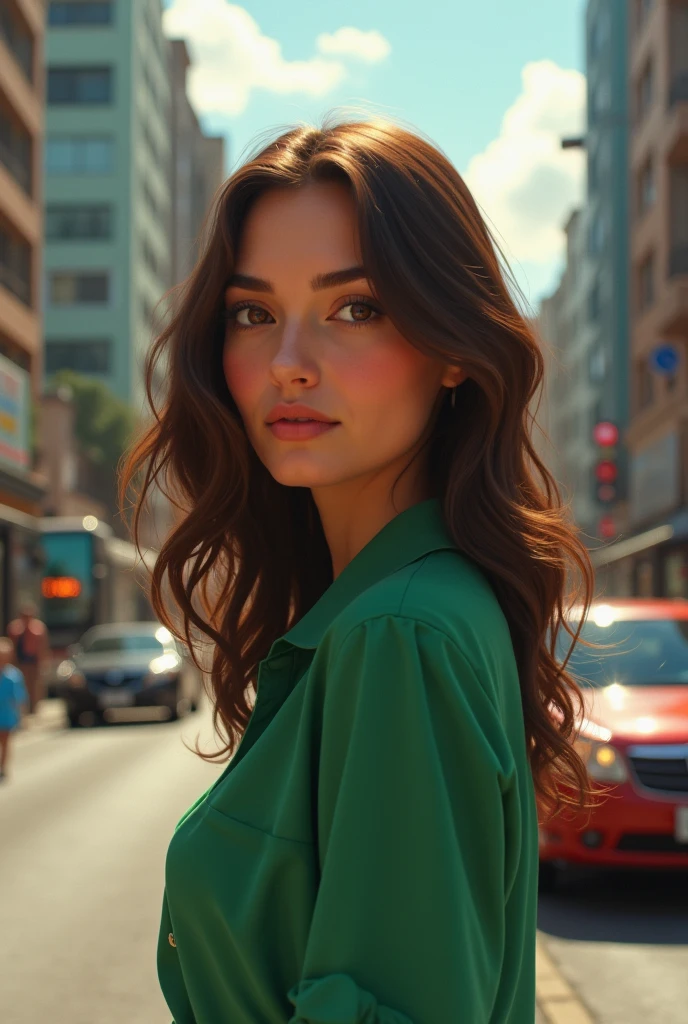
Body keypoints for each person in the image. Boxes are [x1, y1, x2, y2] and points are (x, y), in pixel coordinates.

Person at [122, 118, 596, 1024]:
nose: (289, 365)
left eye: (356, 309)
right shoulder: (410, 604)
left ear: (455, 348)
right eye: (254, 314)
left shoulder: (400, 632)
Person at [8, 601, 48, 715]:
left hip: (33, 662)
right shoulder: (14, 628)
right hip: (20, 662)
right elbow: (12, 646)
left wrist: (44, 661)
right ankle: (23, 709)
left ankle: (33, 709)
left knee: (34, 686)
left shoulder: (39, 628)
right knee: (21, 685)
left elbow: (43, 646)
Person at [0, 636, 28, 781]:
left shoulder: (14, 675)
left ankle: (3, 767)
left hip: (6, 714)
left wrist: (21, 716)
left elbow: (20, 697)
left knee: (5, 742)